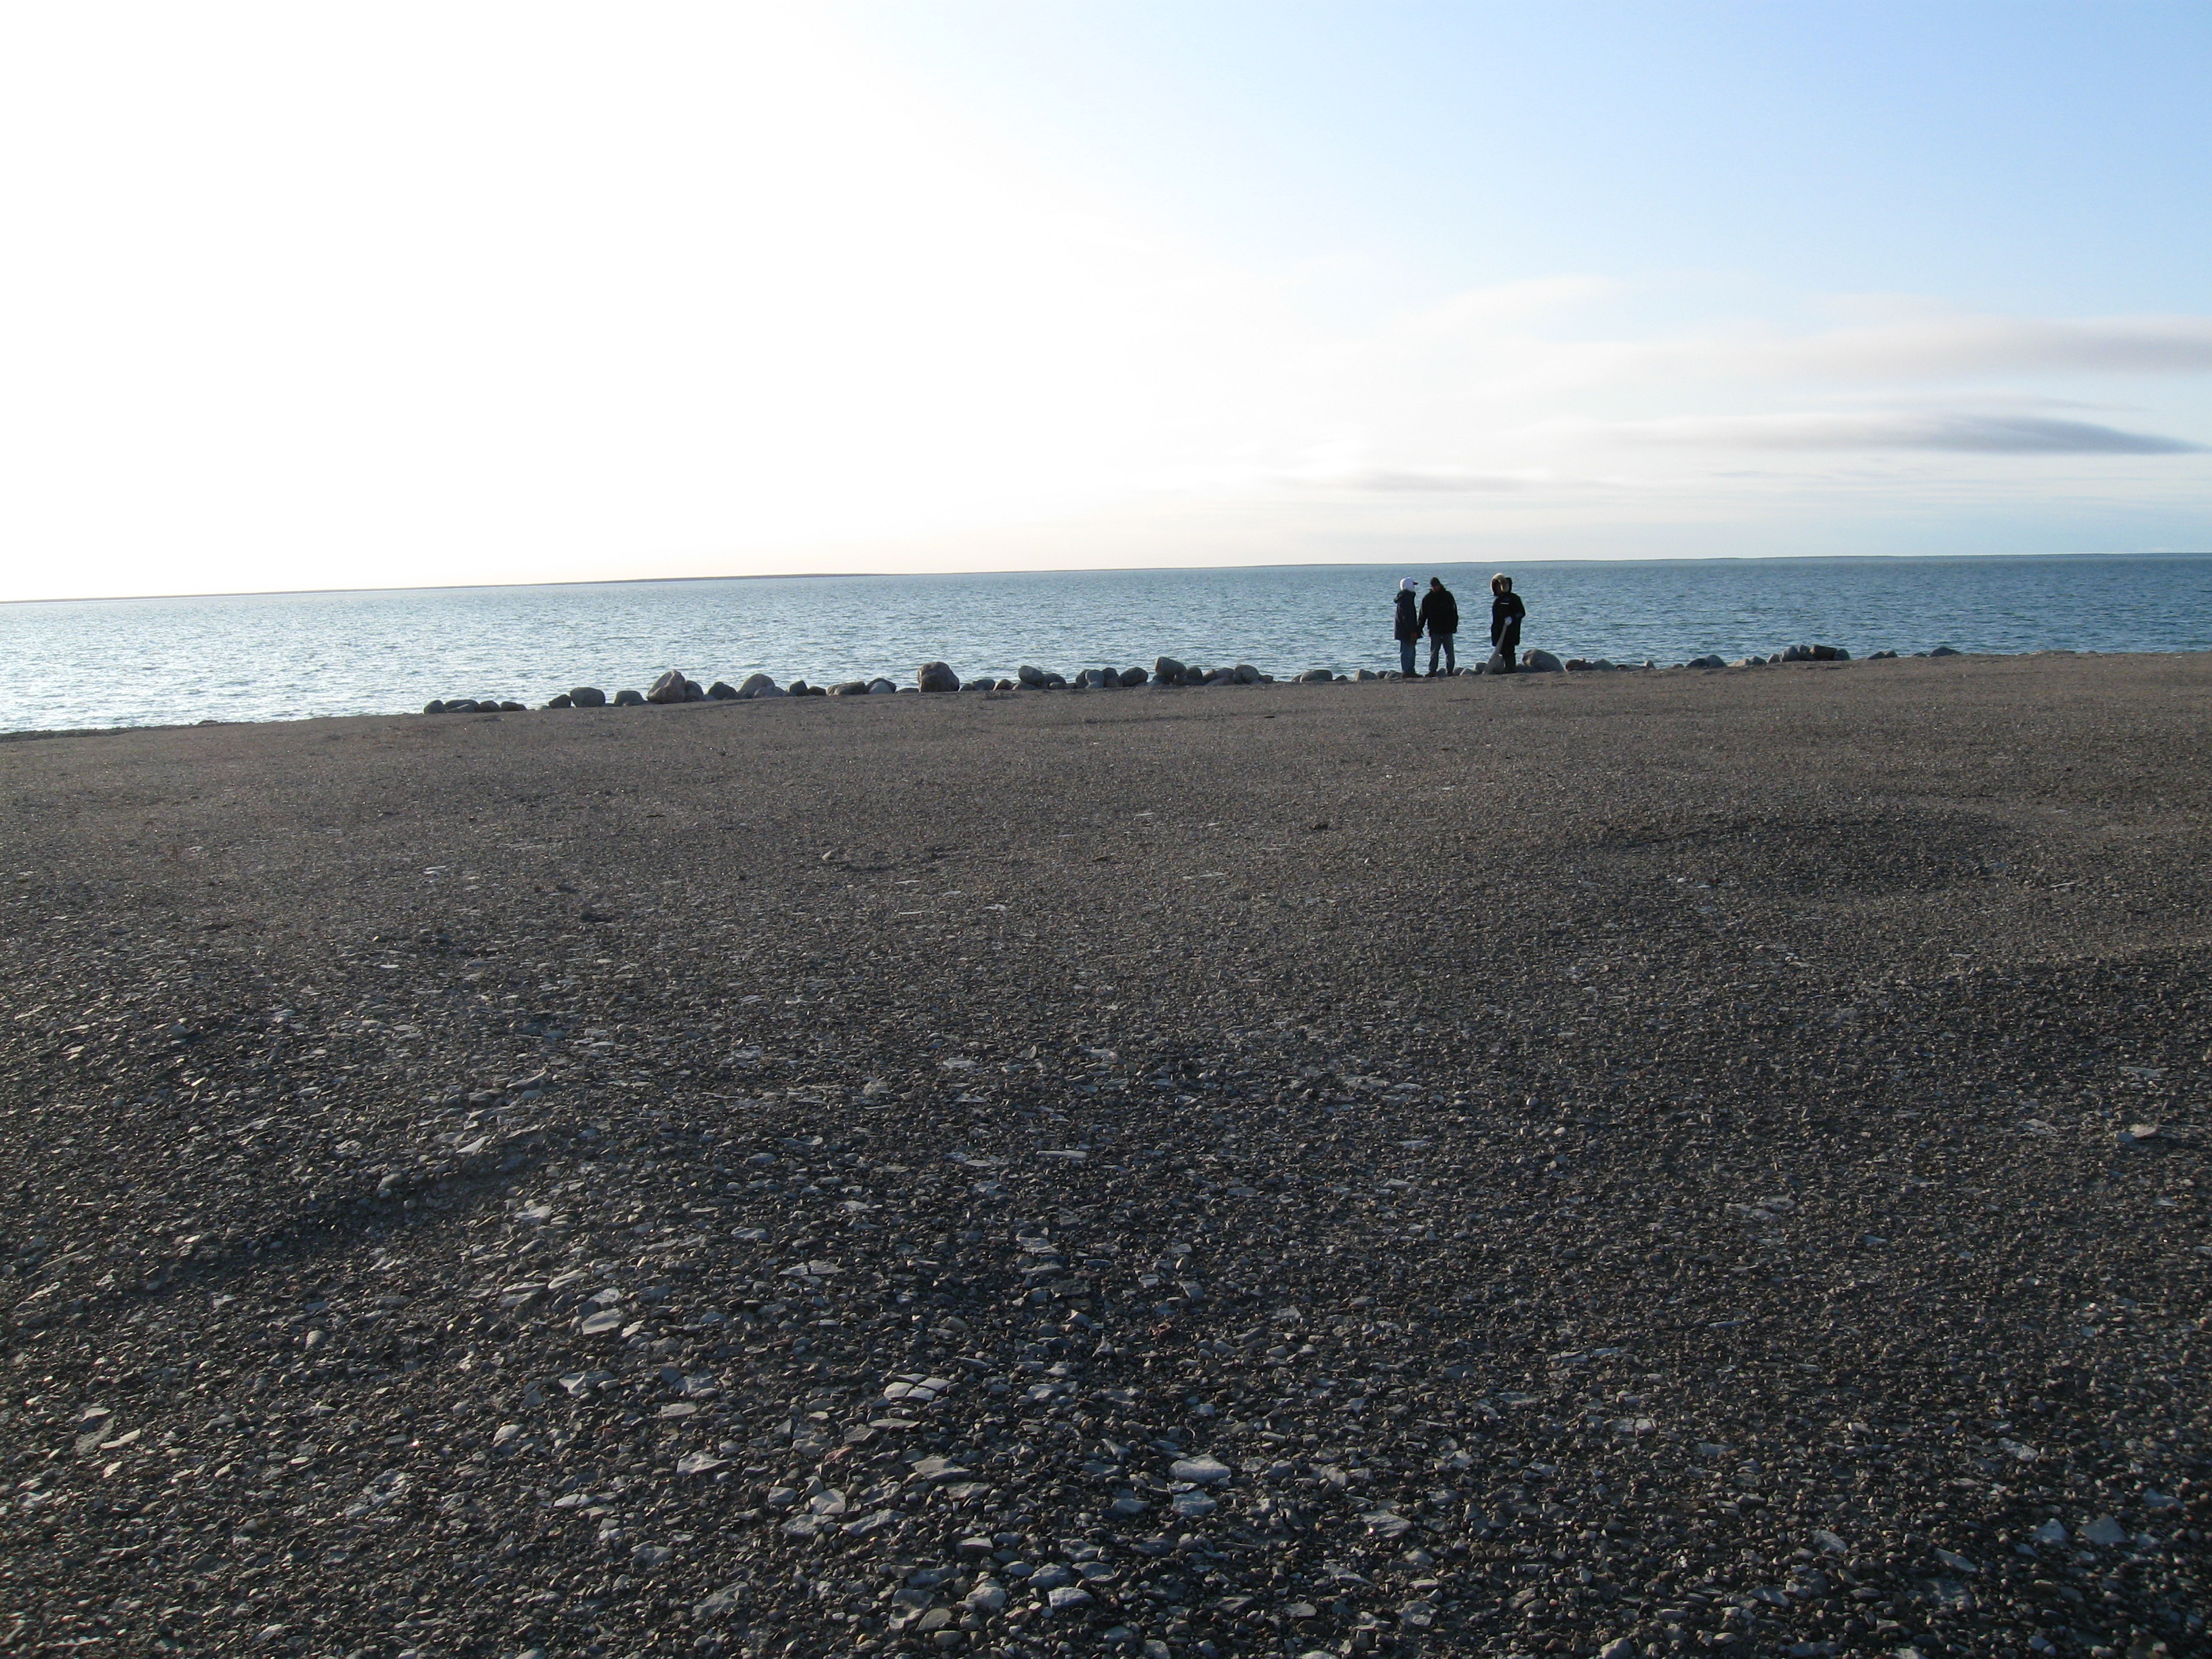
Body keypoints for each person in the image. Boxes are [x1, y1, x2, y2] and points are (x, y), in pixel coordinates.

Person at [1419, 577, 1458, 676]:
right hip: (1434, 629)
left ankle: (1450, 670)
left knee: (1449, 652)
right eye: (1433, 586)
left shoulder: (1448, 596)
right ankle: (1432, 670)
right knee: (1434, 651)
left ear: (1439, 585)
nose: (1435, 588)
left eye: (1436, 585)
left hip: (1447, 629)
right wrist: (1420, 628)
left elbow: (1454, 612)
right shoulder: (1428, 598)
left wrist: (1454, 626)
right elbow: (1423, 615)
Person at [1490, 573, 1525, 670]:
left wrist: (1512, 618)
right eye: (1495, 586)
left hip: (1510, 630)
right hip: (1498, 629)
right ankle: (1506, 668)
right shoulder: (1498, 600)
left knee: (1509, 650)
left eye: (1498, 586)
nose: (1497, 588)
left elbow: (1521, 612)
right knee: (1502, 650)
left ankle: (1510, 668)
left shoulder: (1514, 598)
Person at [1393, 578, 1420, 676]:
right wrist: (1413, 631)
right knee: (1407, 651)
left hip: (1403, 630)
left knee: (1410, 651)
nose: (1414, 587)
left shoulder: (1404, 598)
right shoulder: (1406, 599)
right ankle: (1407, 671)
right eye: (1412, 585)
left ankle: (1410, 670)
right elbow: (1407, 617)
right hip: (1406, 631)